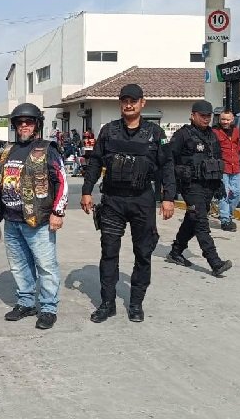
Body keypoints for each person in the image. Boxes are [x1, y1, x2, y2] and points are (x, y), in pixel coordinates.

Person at [80, 84, 175, 323]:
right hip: (113, 201)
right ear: (120, 103)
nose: (129, 105)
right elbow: (95, 162)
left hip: (142, 200)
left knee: (143, 253)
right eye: (125, 101)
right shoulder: (109, 131)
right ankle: (107, 303)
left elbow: (167, 166)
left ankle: (135, 304)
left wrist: (168, 198)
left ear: (143, 103)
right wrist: (86, 191)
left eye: (133, 101)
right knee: (109, 253)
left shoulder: (155, 133)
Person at [0, 103, 68, 330]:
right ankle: (25, 302)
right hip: (11, 220)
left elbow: (61, 180)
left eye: (29, 122)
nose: (24, 126)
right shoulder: (7, 151)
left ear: (37, 125)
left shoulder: (48, 149)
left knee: (46, 266)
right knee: (18, 265)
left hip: (38, 221)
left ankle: (48, 308)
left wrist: (57, 212)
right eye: (20, 122)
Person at [166, 100, 233, 277]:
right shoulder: (182, 135)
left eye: (208, 116)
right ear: (193, 115)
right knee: (201, 223)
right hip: (190, 185)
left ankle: (176, 251)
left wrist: (219, 183)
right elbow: (168, 161)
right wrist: (169, 192)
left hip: (208, 185)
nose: (206, 119)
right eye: (202, 116)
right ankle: (215, 262)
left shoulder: (212, 136)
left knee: (192, 219)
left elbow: (217, 159)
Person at [212, 109, 240, 232]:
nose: (225, 122)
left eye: (227, 119)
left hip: (235, 167)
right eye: (223, 119)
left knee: (238, 192)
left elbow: (238, 147)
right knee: (223, 194)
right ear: (219, 119)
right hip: (222, 168)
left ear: (232, 119)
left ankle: (226, 214)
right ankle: (225, 220)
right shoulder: (214, 132)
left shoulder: (236, 131)